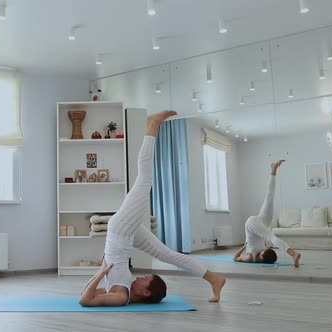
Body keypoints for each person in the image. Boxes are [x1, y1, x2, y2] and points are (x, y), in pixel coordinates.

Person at [79, 110, 226, 307]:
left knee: (145, 178)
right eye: (145, 278)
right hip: (124, 235)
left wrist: (101, 272)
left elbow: (84, 298)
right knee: (168, 255)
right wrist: (102, 272)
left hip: (120, 230)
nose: (140, 278)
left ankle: (153, 126)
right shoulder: (124, 290)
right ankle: (214, 278)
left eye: (144, 280)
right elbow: (87, 295)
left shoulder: (120, 296)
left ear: (145, 292)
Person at [232, 160, 302, 267]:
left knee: (270, 236)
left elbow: (235, 258)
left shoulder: (250, 258)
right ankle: (273, 169)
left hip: (252, 225)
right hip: (260, 224)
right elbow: (262, 242)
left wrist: (243, 246)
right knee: (270, 196)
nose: (262, 251)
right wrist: (245, 246)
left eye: (262, 252)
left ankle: (293, 253)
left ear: (261, 258)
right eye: (264, 251)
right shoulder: (265, 255)